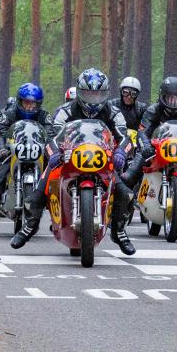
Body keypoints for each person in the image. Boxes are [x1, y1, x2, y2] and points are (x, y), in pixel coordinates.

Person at [9, 68, 135, 255]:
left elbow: (125, 138)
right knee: (38, 192)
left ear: (106, 94)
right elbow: (52, 137)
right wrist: (53, 153)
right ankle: (29, 225)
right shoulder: (64, 111)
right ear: (80, 92)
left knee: (125, 194)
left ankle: (118, 231)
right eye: (88, 94)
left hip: (102, 160)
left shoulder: (114, 112)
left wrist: (121, 153)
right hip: (67, 158)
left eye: (98, 94)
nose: (93, 99)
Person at [121, 76, 177, 232]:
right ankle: (122, 210)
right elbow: (142, 132)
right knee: (129, 176)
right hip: (154, 149)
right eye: (170, 98)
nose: (173, 103)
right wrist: (146, 145)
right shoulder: (153, 110)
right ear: (162, 96)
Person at [0, 83, 54, 233]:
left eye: (33, 103)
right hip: (14, 153)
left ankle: (57, 220)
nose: (29, 106)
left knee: (54, 183)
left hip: (38, 154)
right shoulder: (9, 114)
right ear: (20, 101)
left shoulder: (44, 116)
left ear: (38, 104)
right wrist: (2, 149)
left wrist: (50, 151)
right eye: (26, 102)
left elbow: (50, 136)